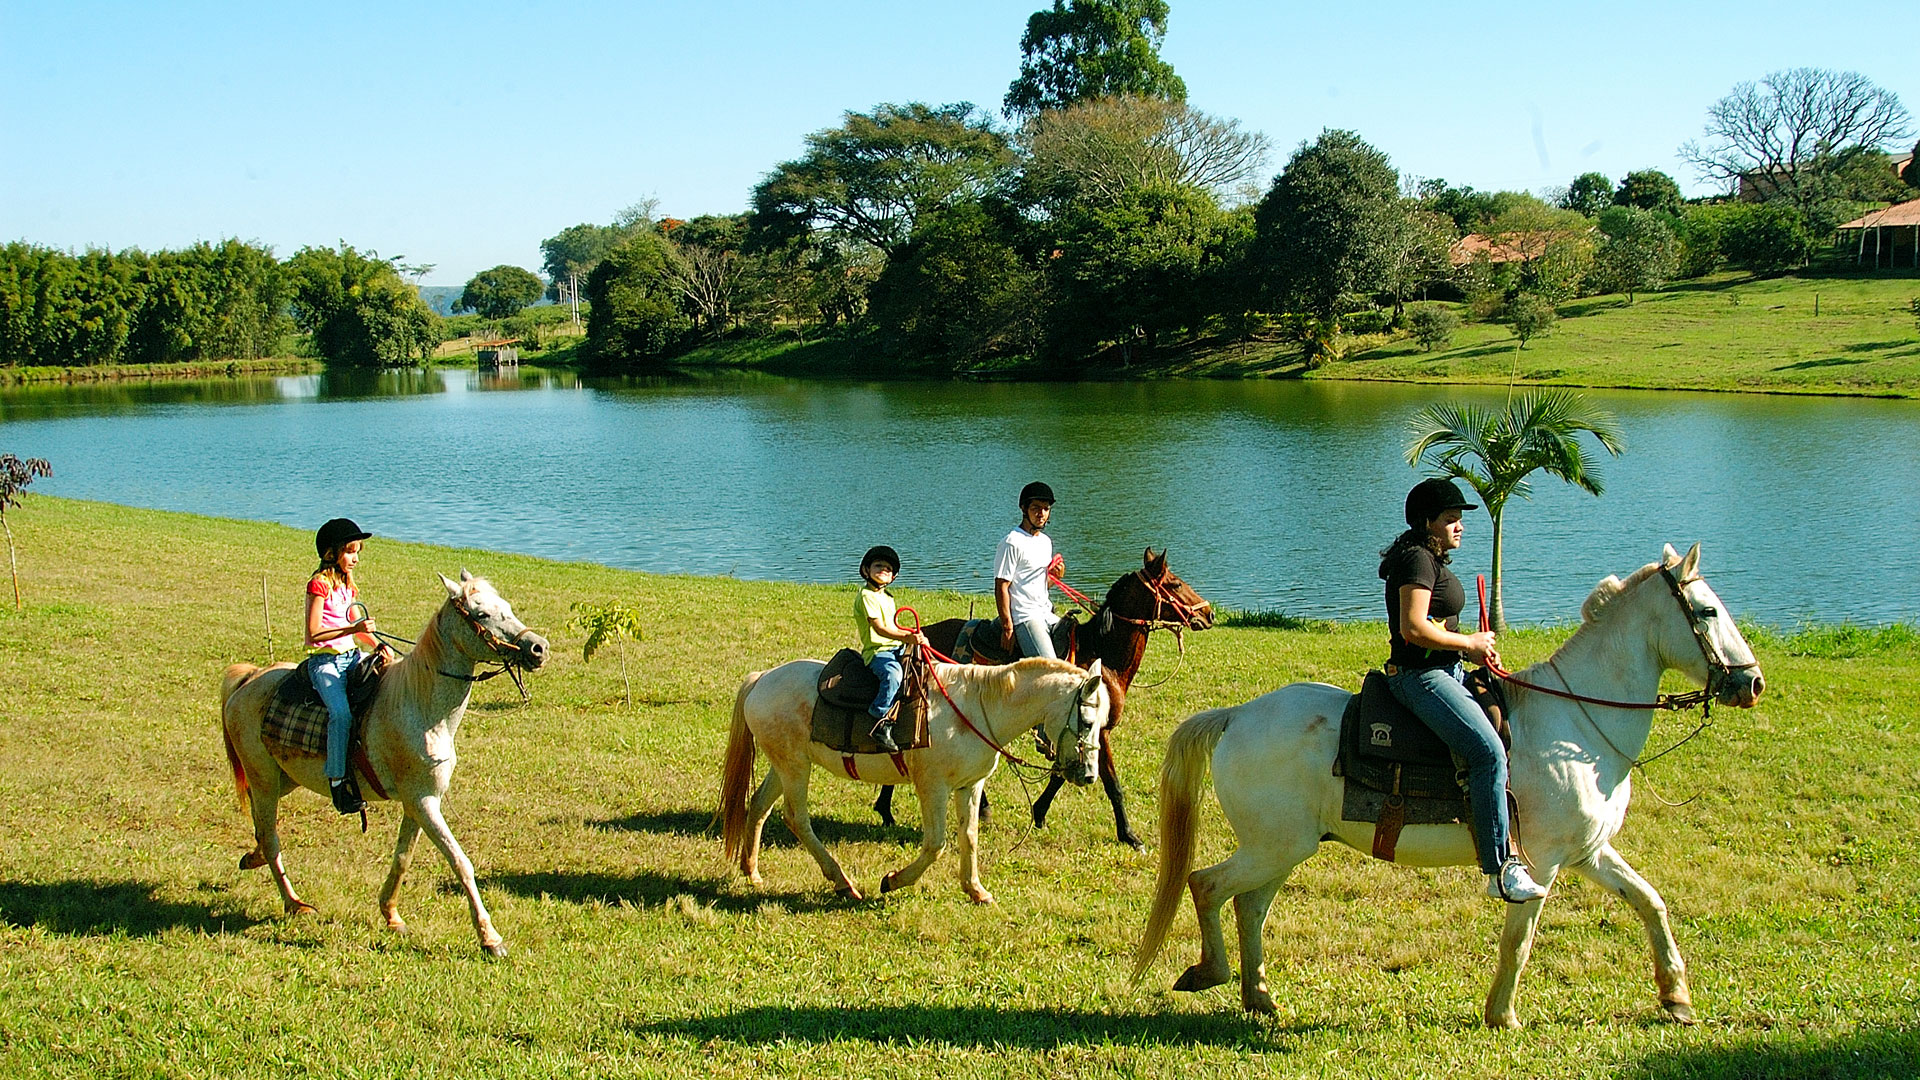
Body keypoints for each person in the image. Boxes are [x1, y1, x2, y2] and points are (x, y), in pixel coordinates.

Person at [1380, 478, 1549, 904]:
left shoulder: (1430, 557)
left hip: (1446, 670)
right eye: (1451, 519)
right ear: (1427, 522)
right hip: (1420, 678)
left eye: (1459, 519)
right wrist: (1469, 643)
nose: (1459, 526)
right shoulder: (1418, 559)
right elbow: (1413, 628)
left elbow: (1436, 627)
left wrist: (1467, 651)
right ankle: (1500, 869)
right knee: (1486, 751)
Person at [307, 517, 382, 814]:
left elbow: (355, 628)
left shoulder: (348, 587)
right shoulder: (318, 585)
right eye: (351, 551)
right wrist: (353, 631)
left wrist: (377, 644)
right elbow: (313, 634)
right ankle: (337, 781)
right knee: (340, 715)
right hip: (324, 662)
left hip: (351, 656)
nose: (356, 558)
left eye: (358, 552)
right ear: (331, 554)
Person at [854, 545, 924, 754]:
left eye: (888, 568)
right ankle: (879, 719)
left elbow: (894, 627)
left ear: (893, 577)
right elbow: (880, 629)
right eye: (878, 566)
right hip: (878, 652)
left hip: (896, 648)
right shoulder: (867, 596)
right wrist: (907, 637)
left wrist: (913, 636)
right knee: (893, 675)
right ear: (866, 570)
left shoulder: (888, 598)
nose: (883, 570)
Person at [993, 481, 1060, 660]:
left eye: (1046, 509)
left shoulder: (1045, 541)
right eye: (1036, 508)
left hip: (1046, 613)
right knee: (1051, 668)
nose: (1042, 514)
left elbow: (1040, 586)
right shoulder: (1011, 542)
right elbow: (1001, 586)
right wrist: (1008, 627)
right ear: (1024, 509)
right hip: (1025, 617)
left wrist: (1055, 576)